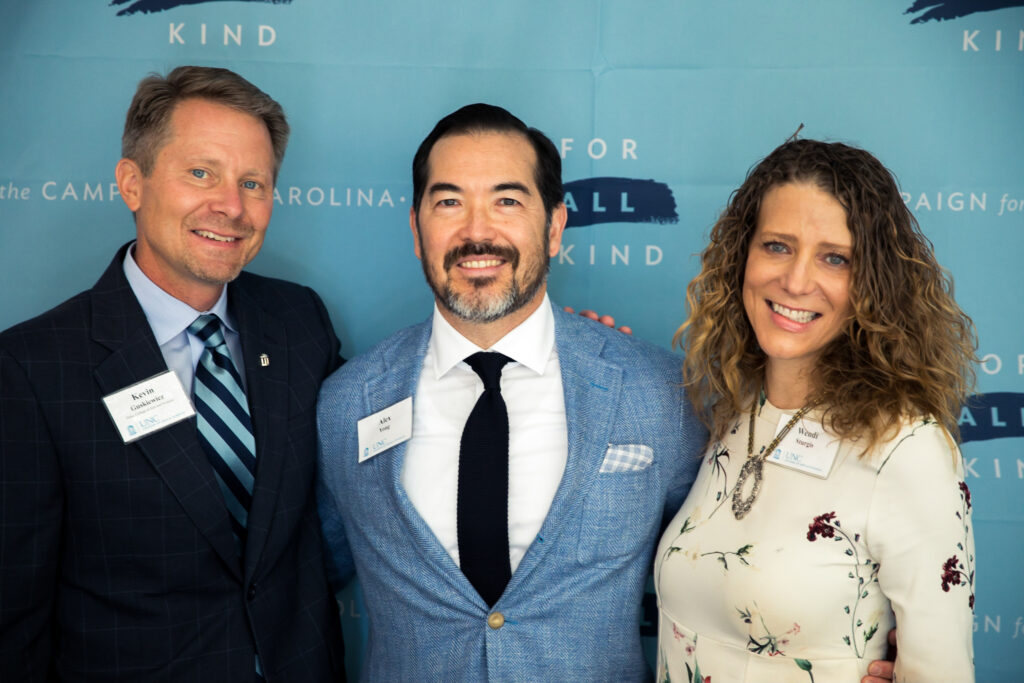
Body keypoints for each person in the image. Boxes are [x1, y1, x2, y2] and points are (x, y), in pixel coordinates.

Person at [315, 103, 706, 682]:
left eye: (507, 201)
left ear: (553, 228)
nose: (477, 232)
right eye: (449, 202)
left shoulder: (659, 393)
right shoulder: (346, 403)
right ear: (416, 228)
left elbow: (720, 562)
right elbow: (304, 574)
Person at [0, 66, 345, 681]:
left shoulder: (300, 322)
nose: (232, 207)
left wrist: (524, 349)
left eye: (254, 183)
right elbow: (13, 613)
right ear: (133, 183)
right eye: (200, 173)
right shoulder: (32, 369)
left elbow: (381, 418)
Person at [655, 139, 976, 682]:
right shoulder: (736, 411)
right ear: (742, 257)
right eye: (777, 246)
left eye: (835, 258)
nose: (797, 281)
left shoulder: (906, 449)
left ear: (873, 284)